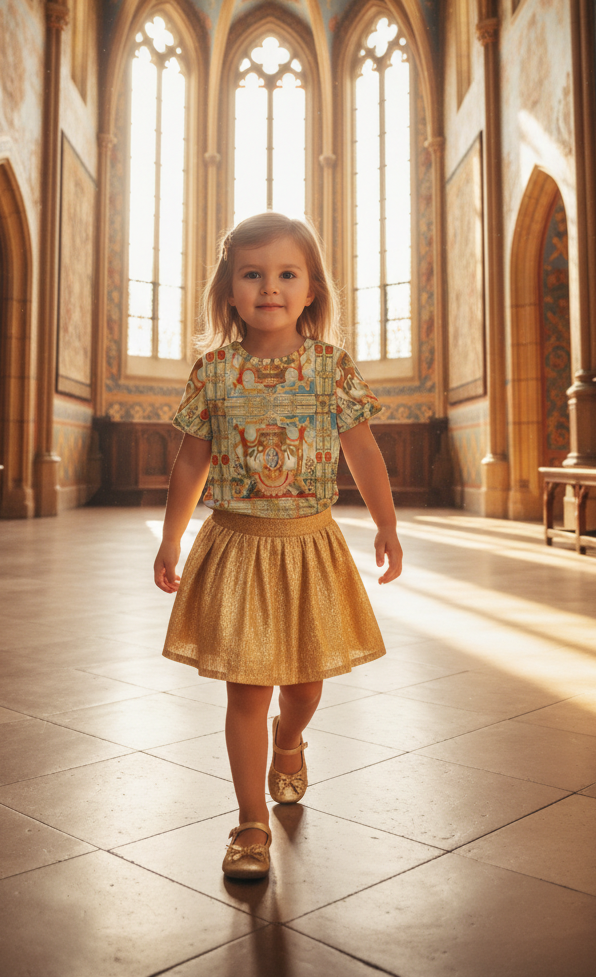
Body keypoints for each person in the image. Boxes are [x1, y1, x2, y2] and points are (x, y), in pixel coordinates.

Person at [154, 211, 402, 880]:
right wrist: (171, 536)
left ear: (312, 288)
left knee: (304, 684)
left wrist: (387, 523)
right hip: (237, 547)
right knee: (246, 693)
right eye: (252, 274)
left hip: (309, 547)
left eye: (286, 273)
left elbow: (364, 452)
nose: (270, 286)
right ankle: (249, 825)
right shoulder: (212, 373)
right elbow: (189, 463)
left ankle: (289, 745)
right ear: (228, 290)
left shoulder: (331, 369)